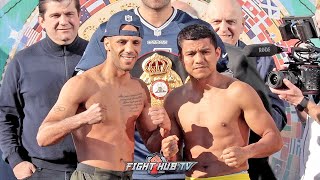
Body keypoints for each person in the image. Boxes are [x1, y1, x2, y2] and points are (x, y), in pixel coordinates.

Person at [74, 1, 228, 179]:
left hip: (190, 159)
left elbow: (222, 85)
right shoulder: (110, 28)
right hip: (128, 165)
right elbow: (84, 90)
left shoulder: (199, 28)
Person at [36, 10, 170, 180]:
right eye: (122, 41)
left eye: (135, 42)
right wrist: (82, 118)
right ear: (107, 44)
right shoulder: (82, 84)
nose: (129, 49)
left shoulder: (139, 88)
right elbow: (43, 137)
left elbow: (152, 145)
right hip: (92, 175)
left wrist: (164, 129)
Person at [157, 24, 283, 180]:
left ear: (217, 53)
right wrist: (169, 152)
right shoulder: (174, 99)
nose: (199, 60)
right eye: (191, 53)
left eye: (205, 52)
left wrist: (247, 152)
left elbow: (275, 139)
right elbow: (175, 160)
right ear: (182, 58)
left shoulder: (238, 92)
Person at [0, 0, 88, 179]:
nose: (63, 21)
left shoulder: (100, 58)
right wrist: (16, 160)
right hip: (40, 171)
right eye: (55, 15)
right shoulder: (22, 62)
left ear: (79, 16)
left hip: (95, 171)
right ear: (42, 22)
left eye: (69, 14)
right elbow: (5, 116)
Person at [203, 0, 287, 179]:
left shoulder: (260, 61)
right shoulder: (192, 61)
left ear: (243, 25)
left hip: (250, 165)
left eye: (231, 22)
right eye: (216, 22)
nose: (223, 29)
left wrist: (253, 121)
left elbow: (278, 115)